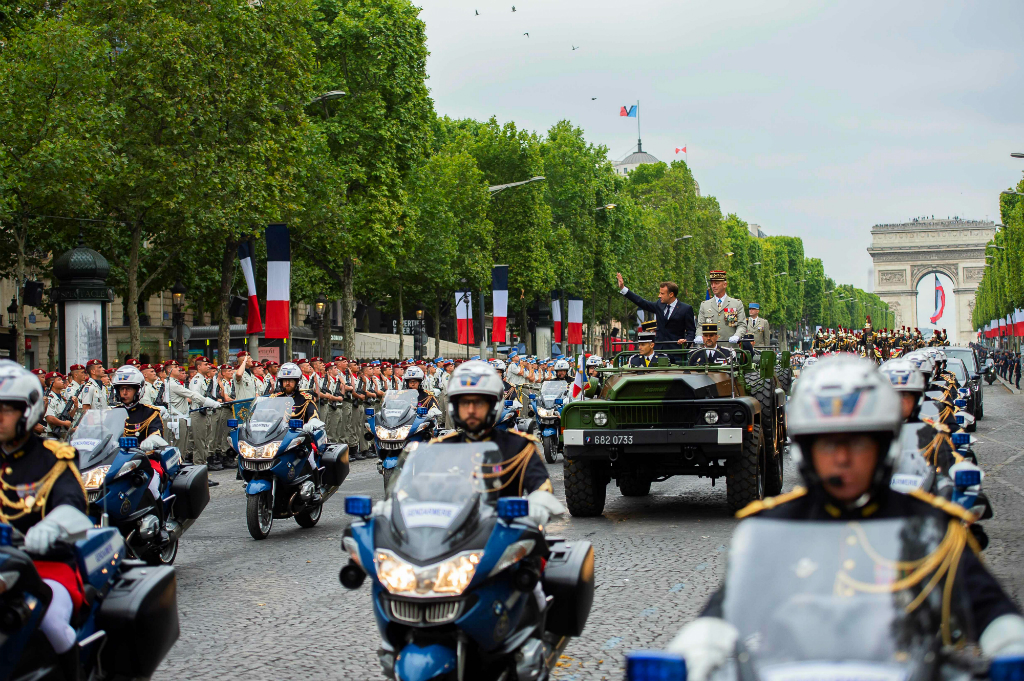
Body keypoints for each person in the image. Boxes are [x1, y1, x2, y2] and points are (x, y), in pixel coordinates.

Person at [666, 355, 1024, 681]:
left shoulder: (930, 525)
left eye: (857, 444)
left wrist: (1011, 643)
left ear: (884, 446)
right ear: (806, 451)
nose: (841, 459)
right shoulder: (774, 526)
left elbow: (989, 606)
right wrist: (696, 649)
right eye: (827, 444)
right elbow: (725, 608)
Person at [0, 360, 93, 658]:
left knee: (51, 621)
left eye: (6, 409)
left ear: (28, 411)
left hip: (45, 566)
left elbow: (74, 504)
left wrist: (51, 526)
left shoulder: (53, 457)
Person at [431, 360, 555, 500]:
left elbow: (542, 485)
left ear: (492, 405)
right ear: (455, 407)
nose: (471, 410)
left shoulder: (519, 447)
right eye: (465, 403)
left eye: (479, 403)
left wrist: (540, 500)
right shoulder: (442, 448)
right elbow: (421, 490)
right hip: (458, 520)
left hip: (504, 520)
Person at [616, 272, 696, 350]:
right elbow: (641, 302)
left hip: (676, 351)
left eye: (662, 293)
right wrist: (623, 289)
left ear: (671, 294)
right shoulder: (659, 305)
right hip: (659, 350)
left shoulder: (686, 309)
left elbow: (691, 331)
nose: (659, 296)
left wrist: (686, 341)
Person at [695, 270, 747, 346]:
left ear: (725, 284)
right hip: (709, 348)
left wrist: (737, 335)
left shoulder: (736, 304)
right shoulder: (705, 305)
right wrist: (699, 335)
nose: (713, 286)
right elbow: (700, 325)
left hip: (729, 348)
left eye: (717, 283)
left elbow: (742, 325)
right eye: (712, 283)